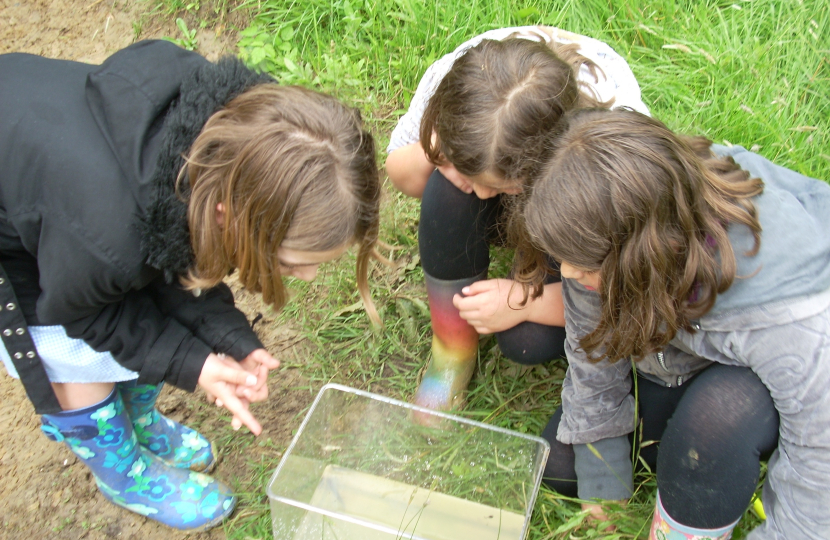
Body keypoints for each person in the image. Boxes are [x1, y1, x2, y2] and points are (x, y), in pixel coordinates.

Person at [0, 40, 380, 532]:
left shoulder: (218, 142)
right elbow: (88, 313)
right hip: (25, 256)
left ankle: (136, 420)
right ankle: (119, 468)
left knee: (132, 305)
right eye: (292, 261)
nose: (306, 276)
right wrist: (191, 363)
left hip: (60, 203)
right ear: (228, 214)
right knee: (75, 355)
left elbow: (176, 259)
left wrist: (227, 339)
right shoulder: (109, 238)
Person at [517, 107, 830, 539]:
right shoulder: (610, 218)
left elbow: (820, 456)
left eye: (580, 262)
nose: (566, 272)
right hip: (692, 342)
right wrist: (605, 481)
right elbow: (594, 345)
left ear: (641, 254)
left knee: (707, 437)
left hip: (796, 366)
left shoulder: (787, 308)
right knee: (565, 466)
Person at [385, 26, 650, 411]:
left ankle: (540, 254)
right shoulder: (459, 85)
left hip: (570, 209)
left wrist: (527, 301)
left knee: (527, 339)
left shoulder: (609, 151)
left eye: (501, 187)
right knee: (448, 190)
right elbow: (400, 173)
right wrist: (441, 153)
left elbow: (625, 285)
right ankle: (451, 351)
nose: (480, 195)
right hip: (519, 167)